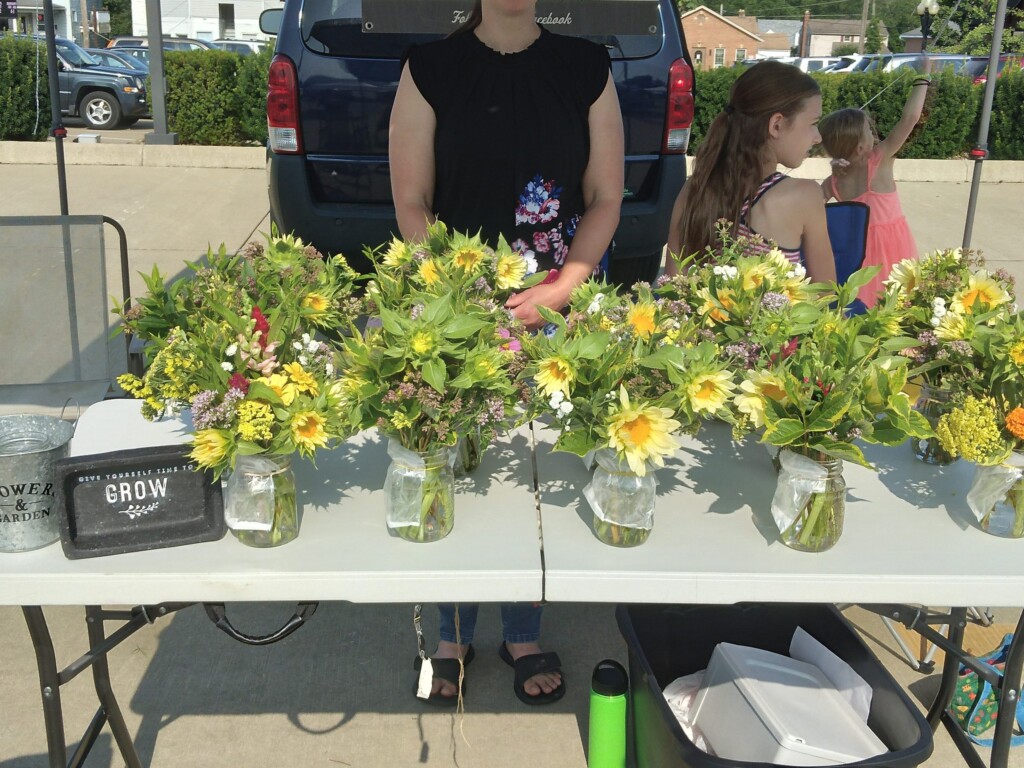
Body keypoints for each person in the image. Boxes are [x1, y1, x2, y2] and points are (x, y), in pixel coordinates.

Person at [388, 0, 624, 705]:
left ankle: (522, 627)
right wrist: (469, 298)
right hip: (456, 313)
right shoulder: (431, 69)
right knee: (455, 472)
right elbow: (411, 201)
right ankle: (452, 634)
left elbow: (606, 198)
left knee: (533, 476)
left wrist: (565, 285)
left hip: (556, 311)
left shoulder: (586, 67)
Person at [665, 61, 836, 284]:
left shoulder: (696, 187)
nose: (818, 137)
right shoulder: (805, 195)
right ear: (776, 125)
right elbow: (825, 294)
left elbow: (673, 285)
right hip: (778, 320)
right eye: (813, 123)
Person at [818, 58, 931, 307]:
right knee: (897, 304)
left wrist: (834, 169)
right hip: (893, 248)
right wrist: (924, 75)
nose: (874, 132)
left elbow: (812, 204)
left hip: (856, 253)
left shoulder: (835, 180)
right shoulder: (879, 160)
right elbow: (910, 118)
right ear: (861, 146)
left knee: (862, 305)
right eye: (869, 130)